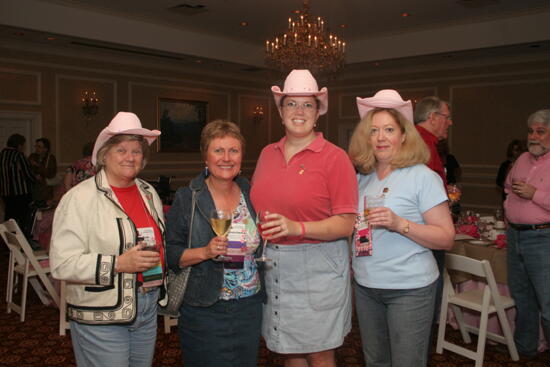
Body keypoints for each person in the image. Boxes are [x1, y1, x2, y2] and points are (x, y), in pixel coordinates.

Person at [250, 69, 358, 367]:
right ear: (280, 111)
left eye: (307, 104)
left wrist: (296, 226)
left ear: (318, 113)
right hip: (273, 262)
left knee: (319, 351)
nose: (299, 111)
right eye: (291, 104)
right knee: (287, 348)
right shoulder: (266, 154)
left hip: (318, 265)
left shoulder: (335, 158)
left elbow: (347, 223)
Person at [50, 112, 165, 367]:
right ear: (105, 154)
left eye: (136, 151)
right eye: (121, 150)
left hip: (146, 307)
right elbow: (61, 263)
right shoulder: (80, 198)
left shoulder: (148, 193)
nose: (130, 157)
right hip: (100, 315)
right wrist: (118, 264)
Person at [349, 89, 455, 367]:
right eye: (374, 131)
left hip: (409, 288)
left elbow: (446, 238)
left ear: (404, 135)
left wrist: (401, 224)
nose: (381, 137)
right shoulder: (362, 179)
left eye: (389, 129)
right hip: (366, 286)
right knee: (376, 362)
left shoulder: (423, 176)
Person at [165, 120, 264, 367]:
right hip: (205, 307)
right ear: (205, 157)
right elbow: (171, 254)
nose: (226, 158)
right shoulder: (187, 197)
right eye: (218, 150)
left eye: (234, 150)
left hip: (249, 306)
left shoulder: (252, 193)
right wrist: (205, 251)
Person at [504, 109, 550, 359]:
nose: (534, 136)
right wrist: (508, 211)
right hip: (515, 236)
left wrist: (536, 195)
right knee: (522, 297)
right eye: (531, 131)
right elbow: (508, 188)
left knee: (548, 304)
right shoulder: (521, 158)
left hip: (543, 239)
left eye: (541, 132)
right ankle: (525, 349)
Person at [413, 95, 454, 349]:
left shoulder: (420, 143)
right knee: (424, 312)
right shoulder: (423, 146)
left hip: (420, 232)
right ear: (433, 118)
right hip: (426, 235)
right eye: (447, 117)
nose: (449, 123)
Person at [0, 133, 36, 235]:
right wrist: (36, 179)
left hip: (6, 193)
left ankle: (10, 242)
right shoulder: (18, 155)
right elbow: (27, 173)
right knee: (24, 219)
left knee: (10, 218)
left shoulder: (1, 155)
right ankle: (24, 241)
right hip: (21, 193)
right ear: (19, 145)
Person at [28, 137, 57, 204]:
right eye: (36, 146)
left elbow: (51, 174)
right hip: (33, 188)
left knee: (44, 209)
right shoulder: (32, 156)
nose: (36, 148)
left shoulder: (51, 158)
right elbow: (27, 170)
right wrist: (34, 175)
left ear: (45, 149)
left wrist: (37, 165)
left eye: (39, 147)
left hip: (45, 190)